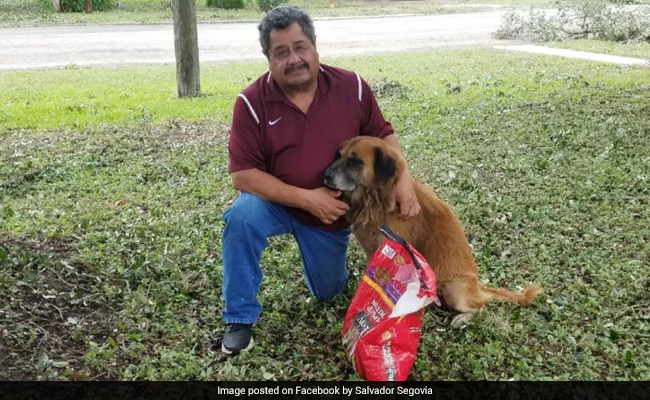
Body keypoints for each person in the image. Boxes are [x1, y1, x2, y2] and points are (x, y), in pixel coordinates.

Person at [220, 5, 420, 355]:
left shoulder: (352, 86)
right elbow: (243, 175)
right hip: (277, 205)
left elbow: (382, 134)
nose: (293, 59)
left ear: (314, 46)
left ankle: (327, 272)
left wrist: (404, 177)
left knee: (328, 292)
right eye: (281, 52)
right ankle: (239, 317)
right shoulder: (250, 103)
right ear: (268, 57)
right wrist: (307, 198)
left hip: (330, 219)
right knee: (241, 217)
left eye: (300, 47)